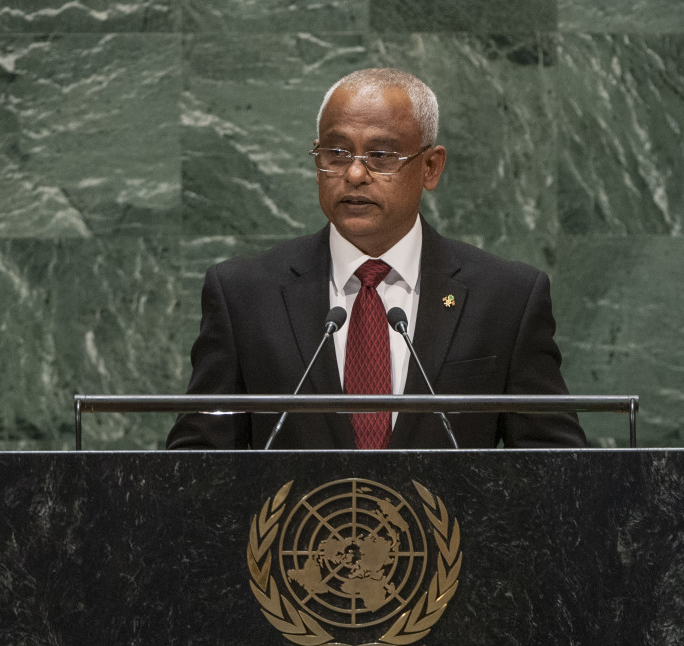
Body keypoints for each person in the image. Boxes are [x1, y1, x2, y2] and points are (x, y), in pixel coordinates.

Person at [166, 68, 587, 449]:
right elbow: (198, 463)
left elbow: (555, 466)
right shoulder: (244, 295)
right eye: (336, 153)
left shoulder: (506, 299)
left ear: (430, 167)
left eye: (381, 156)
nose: (354, 174)